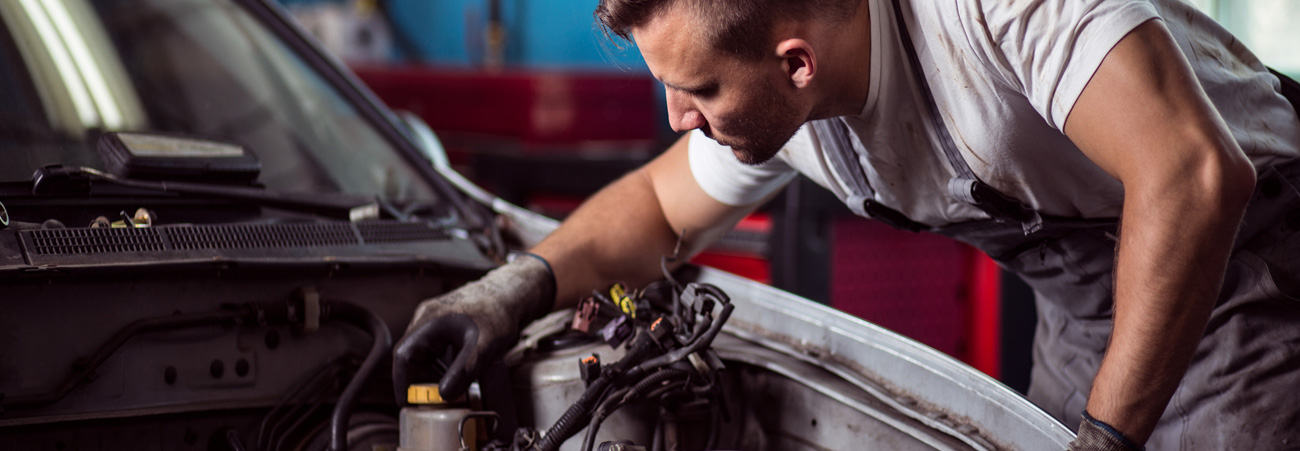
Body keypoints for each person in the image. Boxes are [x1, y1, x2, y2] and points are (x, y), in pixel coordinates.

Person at [393, 0, 1300, 449]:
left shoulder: (998, 10)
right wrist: (510, 290)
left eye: (697, 90)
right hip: (1080, 300)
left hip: (1246, 261)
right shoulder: (791, 102)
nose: (678, 115)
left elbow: (1192, 174)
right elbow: (660, 207)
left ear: (795, 61)